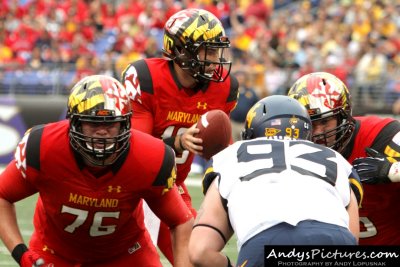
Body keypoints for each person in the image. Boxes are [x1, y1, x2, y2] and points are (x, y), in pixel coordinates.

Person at [0, 75, 194, 267]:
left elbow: (180, 221)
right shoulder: (44, 147)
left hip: (125, 254)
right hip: (54, 253)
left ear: (125, 123)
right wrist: (22, 255)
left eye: (111, 123)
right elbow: (2, 196)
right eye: (93, 123)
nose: (102, 131)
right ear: (74, 122)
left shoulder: (149, 156)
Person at [122, 8, 238, 263]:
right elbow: (135, 150)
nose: (214, 59)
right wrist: (175, 143)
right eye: (207, 51)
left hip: (172, 185)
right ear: (180, 50)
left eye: (216, 50)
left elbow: (223, 150)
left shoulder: (224, 88)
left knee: (195, 256)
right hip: (136, 185)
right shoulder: (147, 78)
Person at [189, 95, 361, 267]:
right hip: (337, 240)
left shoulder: (230, 156)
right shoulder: (337, 160)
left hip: (268, 244)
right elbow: (352, 238)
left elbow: (200, 251)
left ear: (252, 132)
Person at [288, 71, 400, 244]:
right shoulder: (291, 151)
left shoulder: (381, 135)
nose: (317, 133)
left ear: (344, 117)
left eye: (325, 122)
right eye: (310, 123)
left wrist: (392, 170)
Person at [230, 70, 259, 142]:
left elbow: (257, 106)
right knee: (232, 145)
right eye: (238, 77)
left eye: (242, 78)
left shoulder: (251, 92)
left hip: (245, 124)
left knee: (244, 143)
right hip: (233, 122)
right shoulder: (231, 91)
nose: (240, 79)